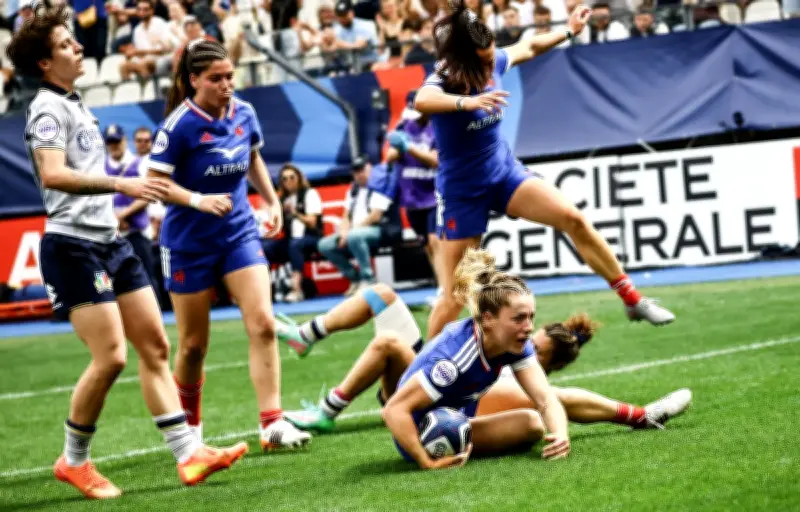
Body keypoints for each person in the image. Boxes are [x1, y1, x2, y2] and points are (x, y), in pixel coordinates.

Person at [8, 6, 248, 499]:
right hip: (73, 246)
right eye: (66, 45)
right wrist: (121, 183)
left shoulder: (74, 102)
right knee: (112, 356)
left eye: (75, 40)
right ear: (44, 64)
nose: (79, 48)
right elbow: (52, 174)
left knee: (156, 346)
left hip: (111, 243)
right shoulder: (47, 108)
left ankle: (188, 454)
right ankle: (74, 461)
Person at [416, 0, 675, 341]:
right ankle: (421, 369)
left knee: (573, 218)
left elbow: (530, 46)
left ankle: (632, 299)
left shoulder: (495, 60)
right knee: (456, 295)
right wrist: (467, 103)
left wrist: (569, 30)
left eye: (493, 56)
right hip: (462, 192)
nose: (492, 63)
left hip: (502, 173)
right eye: (484, 60)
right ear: (464, 57)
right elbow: (422, 99)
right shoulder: (446, 78)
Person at [146, 39, 311, 450]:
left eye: (230, 77)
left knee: (264, 325)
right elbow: (154, 182)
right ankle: (191, 431)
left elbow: (253, 158)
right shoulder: (179, 125)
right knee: (193, 346)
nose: (226, 85)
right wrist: (196, 200)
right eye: (215, 78)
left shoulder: (245, 113)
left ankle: (272, 424)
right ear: (193, 80)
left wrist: (271, 201)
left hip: (238, 233)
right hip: (188, 244)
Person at [278, 283, 691, 435]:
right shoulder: (495, 342)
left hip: (435, 398)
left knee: (548, 404)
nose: (526, 334)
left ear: (546, 364)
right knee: (380, 296)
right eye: (525, 324)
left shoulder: (520, 367)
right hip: (430, 373)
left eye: (536, 343)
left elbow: (549, 397)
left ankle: (641, 415)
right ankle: (306, 335)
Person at [382, 247, 569, 469]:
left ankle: (613, 414)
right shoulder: (452, 361)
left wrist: (560, 434)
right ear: (488, 319)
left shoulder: (513, 341)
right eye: (519, 318)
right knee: (536, 420)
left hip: (458, 417)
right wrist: (426, 461)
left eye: (531, 317)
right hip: (419, 433)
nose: (528, 327)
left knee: (533, 424)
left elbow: (545, 398)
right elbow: (394, 410)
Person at [317, 156, 402, 295]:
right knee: (324, 245)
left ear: (370, 168)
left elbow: (375, 216)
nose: (359, 174)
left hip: (383, 230)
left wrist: (352, 232)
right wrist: (343, 233)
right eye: (356, 171)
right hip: (355, 233)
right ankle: (355, 279)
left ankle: (368, 279)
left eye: (362, 170)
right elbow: (346, 216)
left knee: (354, 236)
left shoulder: (381, 184)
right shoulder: (353, 190)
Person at [385, 91, 444, 291]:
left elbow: (435, 160)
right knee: (427, 243)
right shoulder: (404, 126)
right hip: (411, 198)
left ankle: (444, 288)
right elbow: (390, 156)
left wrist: (408, 147)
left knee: (436, 240)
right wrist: (396, 144)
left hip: (434, 195)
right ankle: (440, 282)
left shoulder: (438, 129)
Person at [261, 164, 323, 303]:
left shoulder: (310, 194)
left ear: (299, 178)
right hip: (291, 240)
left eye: (291, 177)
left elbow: (312, 223)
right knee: (263, 247)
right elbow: (277, 227)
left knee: (295, 245)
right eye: (284, 179)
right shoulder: (282, 199)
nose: (288, 181)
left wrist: (295, 213)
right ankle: (265, 291)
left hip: (312, 238)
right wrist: (272, 212)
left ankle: (297, 289)